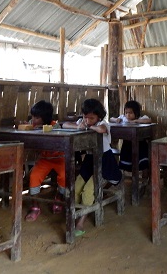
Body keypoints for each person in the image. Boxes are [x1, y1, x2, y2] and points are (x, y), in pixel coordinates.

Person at [63, 98, 122, 236]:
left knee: (88, 191)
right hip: (90, 161)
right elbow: (65, 124)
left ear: (99, 117)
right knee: (77, 187)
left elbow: (101, 130)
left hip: (105, 163)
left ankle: (81, 221)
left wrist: (89, 127)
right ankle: (76, 213)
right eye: (85, 117)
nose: (88, 120)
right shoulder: (82, 122)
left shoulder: (103, 124)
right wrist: (78, 126)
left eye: (91, 118)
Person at [24, 100, 64, 222]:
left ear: (45, 118)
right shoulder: (32, 125)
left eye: (36, 118)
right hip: (45, 160)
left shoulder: (55, 125)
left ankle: (59, 197)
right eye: (33, 117)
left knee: (64, 176)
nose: (33, 120)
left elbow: (58, 132)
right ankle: (35, 206)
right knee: (34, 176)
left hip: (60, 159)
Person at [110, 100, 152, 174]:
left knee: (143, 162)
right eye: (126, 113)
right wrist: (116, 119)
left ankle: (145, 178)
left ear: (136, 113)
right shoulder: (123, 118)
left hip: (140, 145)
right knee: (126, 160)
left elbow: (149, 120)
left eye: (130, 113)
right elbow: (111, 119)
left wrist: (136, 121)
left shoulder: (141, 118)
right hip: (127, 145)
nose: (128, 115)